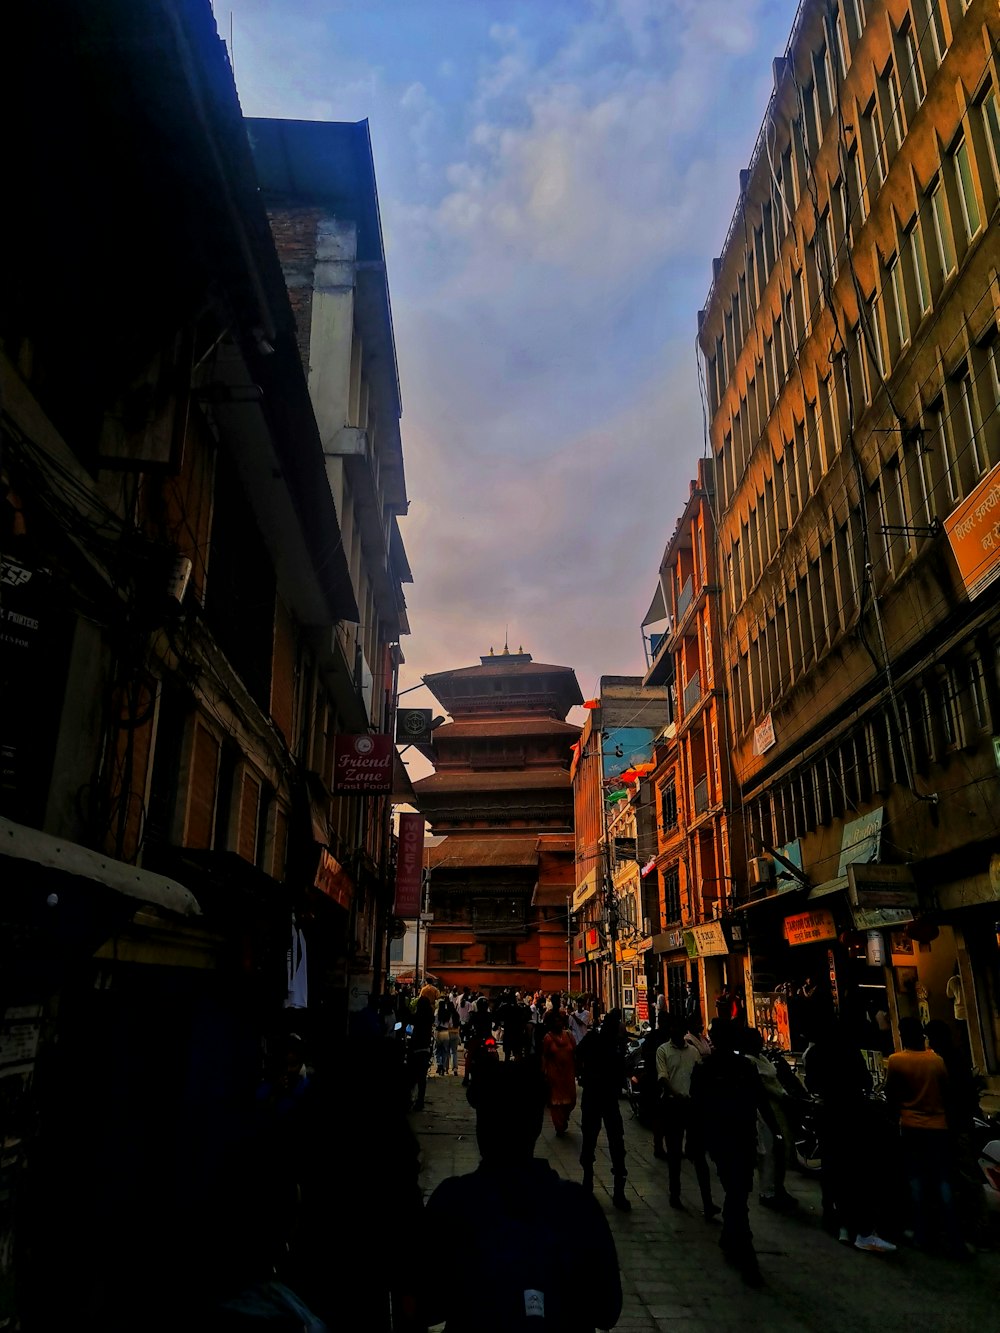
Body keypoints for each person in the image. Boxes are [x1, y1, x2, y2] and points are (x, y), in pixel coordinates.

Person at [420, 1061, 622, 1331]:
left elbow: (425, 1305)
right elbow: (606, 1311)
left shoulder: (454, 1203)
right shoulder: (578, 1208)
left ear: (481, 1125)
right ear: (537, 1123)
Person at [691, 1019, 780, 1286]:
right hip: (727, 1139)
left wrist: (774, 1129)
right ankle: (746, 1249)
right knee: (737, 1190)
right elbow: (698, 1109)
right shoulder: (711, 1069)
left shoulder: (736, 1068)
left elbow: (760, 1100)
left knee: (737, 1189)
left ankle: (731, 1234)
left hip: (737, 1138)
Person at [804, 1010, 895, 1252]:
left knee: (832, 1169)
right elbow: (865, 1081)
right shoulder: (848, 1051)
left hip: (828, 1116)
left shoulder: (814, 1053)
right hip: (852, 1116)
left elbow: (810, 1084)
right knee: (856, 1173)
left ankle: (840, 1224)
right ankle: (863, 1231)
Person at [885, 1016, 965, 1259]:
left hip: (910, 1126)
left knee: (916, 1179)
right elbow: (946, 1091)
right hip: (938, 1126)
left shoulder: (896, 1061)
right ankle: (954, 1237)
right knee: (943, 1181)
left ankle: (921, 1233)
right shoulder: (936, 1061)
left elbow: (891, 1094)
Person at [655, 1015, 719, 1219]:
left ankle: (708, 1202)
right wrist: (676, 1094)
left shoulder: (693, 1052)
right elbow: (663, 1078)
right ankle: (675, 1194)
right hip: (673, 1106)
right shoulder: (663, 1051)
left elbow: (701, 1077)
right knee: (674, 1154)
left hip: (693, 1107)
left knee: (698, 1156)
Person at [576, 1008, 631, 1211]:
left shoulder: (613, 1043)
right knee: (596, 1139)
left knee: (611, 1141)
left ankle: (612, 1188)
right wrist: (582, 1073)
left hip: (604, 1097)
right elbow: (577, 1055)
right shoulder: (601, 1041)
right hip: (598, 1096)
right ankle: (591, 1181)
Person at [741, 1028, 798, 1213]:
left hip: (778, 1110)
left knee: (780, 1151)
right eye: (756, 1039)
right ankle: (768, 1192)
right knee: (768, 1152)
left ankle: (779, 1188)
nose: (760, 1042)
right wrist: (783, 1096)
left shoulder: (763, 1058)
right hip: (763, 1113)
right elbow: (764, 1088)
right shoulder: (749, 1062)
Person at [540, 1009, 578, 1136]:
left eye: (560, 1021)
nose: (558, 1024)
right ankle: (559, 1125)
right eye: (555, 1022)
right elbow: (544, 1056)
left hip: (568, 1073)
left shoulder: (568, 1035)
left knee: (571, 1099)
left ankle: (564, 1117)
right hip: (554, 1073)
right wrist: (543, 1071)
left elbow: (575, 1052)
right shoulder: (548, 1038)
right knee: (556, 1101)